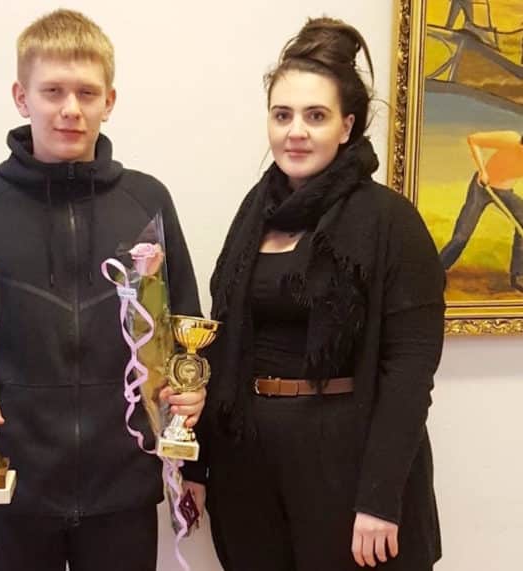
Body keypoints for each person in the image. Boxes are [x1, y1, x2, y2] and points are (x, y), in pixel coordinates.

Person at [0, 9, 204, 571]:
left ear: (109, 101)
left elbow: (181, 329)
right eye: (53, 91)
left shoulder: (148, 202)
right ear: (22, 98)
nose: (71, 108)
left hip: (122, 493)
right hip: (12, 492)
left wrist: (188, 393)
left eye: (87, 93)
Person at [182, 17, 445, 571]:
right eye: (282, 115)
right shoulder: (254, 214)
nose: (295, 131)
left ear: (347, 127)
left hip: (344, 465)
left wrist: (380, 498)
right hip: (248, 464)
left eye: (315, 116)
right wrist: (197, 463)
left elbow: (410, 367)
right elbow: (221, 341)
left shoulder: (390, 221)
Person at [439, 130, 523, 292]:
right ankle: (437, 269)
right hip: (481, 187)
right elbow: (473, 139)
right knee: (462, 235)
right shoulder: (510, 139)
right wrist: (483, 171)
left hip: (505, 192)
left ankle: (518, 275)